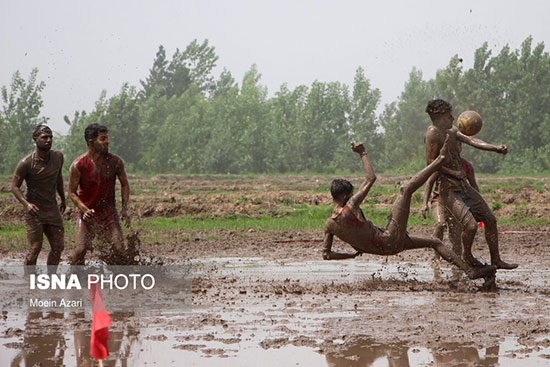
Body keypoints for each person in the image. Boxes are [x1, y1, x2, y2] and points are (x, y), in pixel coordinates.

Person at [323, 139, 496, 280]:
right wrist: (362, 153)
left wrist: (350, 255)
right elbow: (370, 178)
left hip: (385, 247)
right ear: (347, 195)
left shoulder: (329, 225)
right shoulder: (351, 206)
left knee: (434, 242)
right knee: (406, 190)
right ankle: (439, 161)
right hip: (390, 238)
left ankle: (471, 272)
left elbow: (327, 255)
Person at [424, 99, 517, 270]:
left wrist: (495, 148)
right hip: (448, 190)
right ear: (437, 117)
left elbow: (472, 141)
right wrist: (453, 173)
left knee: (490, 219)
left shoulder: (451, 130)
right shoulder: (433, 134)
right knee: (471, 226)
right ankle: (467, 255)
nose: (453, 118)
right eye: (448, 116)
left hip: (464, 186)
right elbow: (431, 164)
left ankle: (496, 259)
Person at [68, 123, 130, 265]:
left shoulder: (115, 162)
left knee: (119, 249)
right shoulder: (78, 165)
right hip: (86, 214)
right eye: (103, 139)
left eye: (107, 138)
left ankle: (122, 281)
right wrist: (84, 209)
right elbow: (72, 193)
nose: (107, 142)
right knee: (80, 250)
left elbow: (125, 184)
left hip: (109, 213)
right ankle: (73, 281)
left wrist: (124, 208)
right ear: (91, 142)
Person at [422, 142, 479, 280]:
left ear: (460, 148)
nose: (455, 149)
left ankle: (457, 264)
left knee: (456, 237)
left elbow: (474, 186)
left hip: (457, 203)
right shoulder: (441, 165)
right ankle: (435, 258)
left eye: (457, 146)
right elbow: (429, 183)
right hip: (439, 201)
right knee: (440, 224)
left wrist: (477, 206)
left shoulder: (467, 166)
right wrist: (424, 203)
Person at [11, 124, 66, 266]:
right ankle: (29, 280)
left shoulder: (58, 157)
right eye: (44, 137)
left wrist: (63, 198)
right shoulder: (26, 163)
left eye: (50, 137)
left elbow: (58, 178)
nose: (48, 140)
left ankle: (50, 279)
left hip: (52, 209)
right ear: (35, 139)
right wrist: (26, 204)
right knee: (35, 248)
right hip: (34, 211)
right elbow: (14, 187)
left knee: (58, 246)